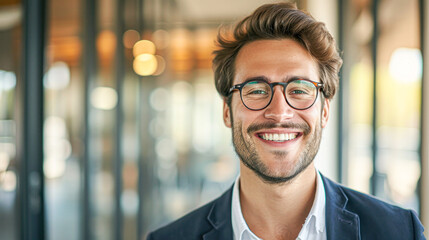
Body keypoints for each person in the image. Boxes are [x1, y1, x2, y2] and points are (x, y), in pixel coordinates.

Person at [147, 2, 425, 240]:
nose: (279, 113)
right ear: (227, 112)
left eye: (299, 90)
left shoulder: (399, 231)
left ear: (324, 111)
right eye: (256, 90)